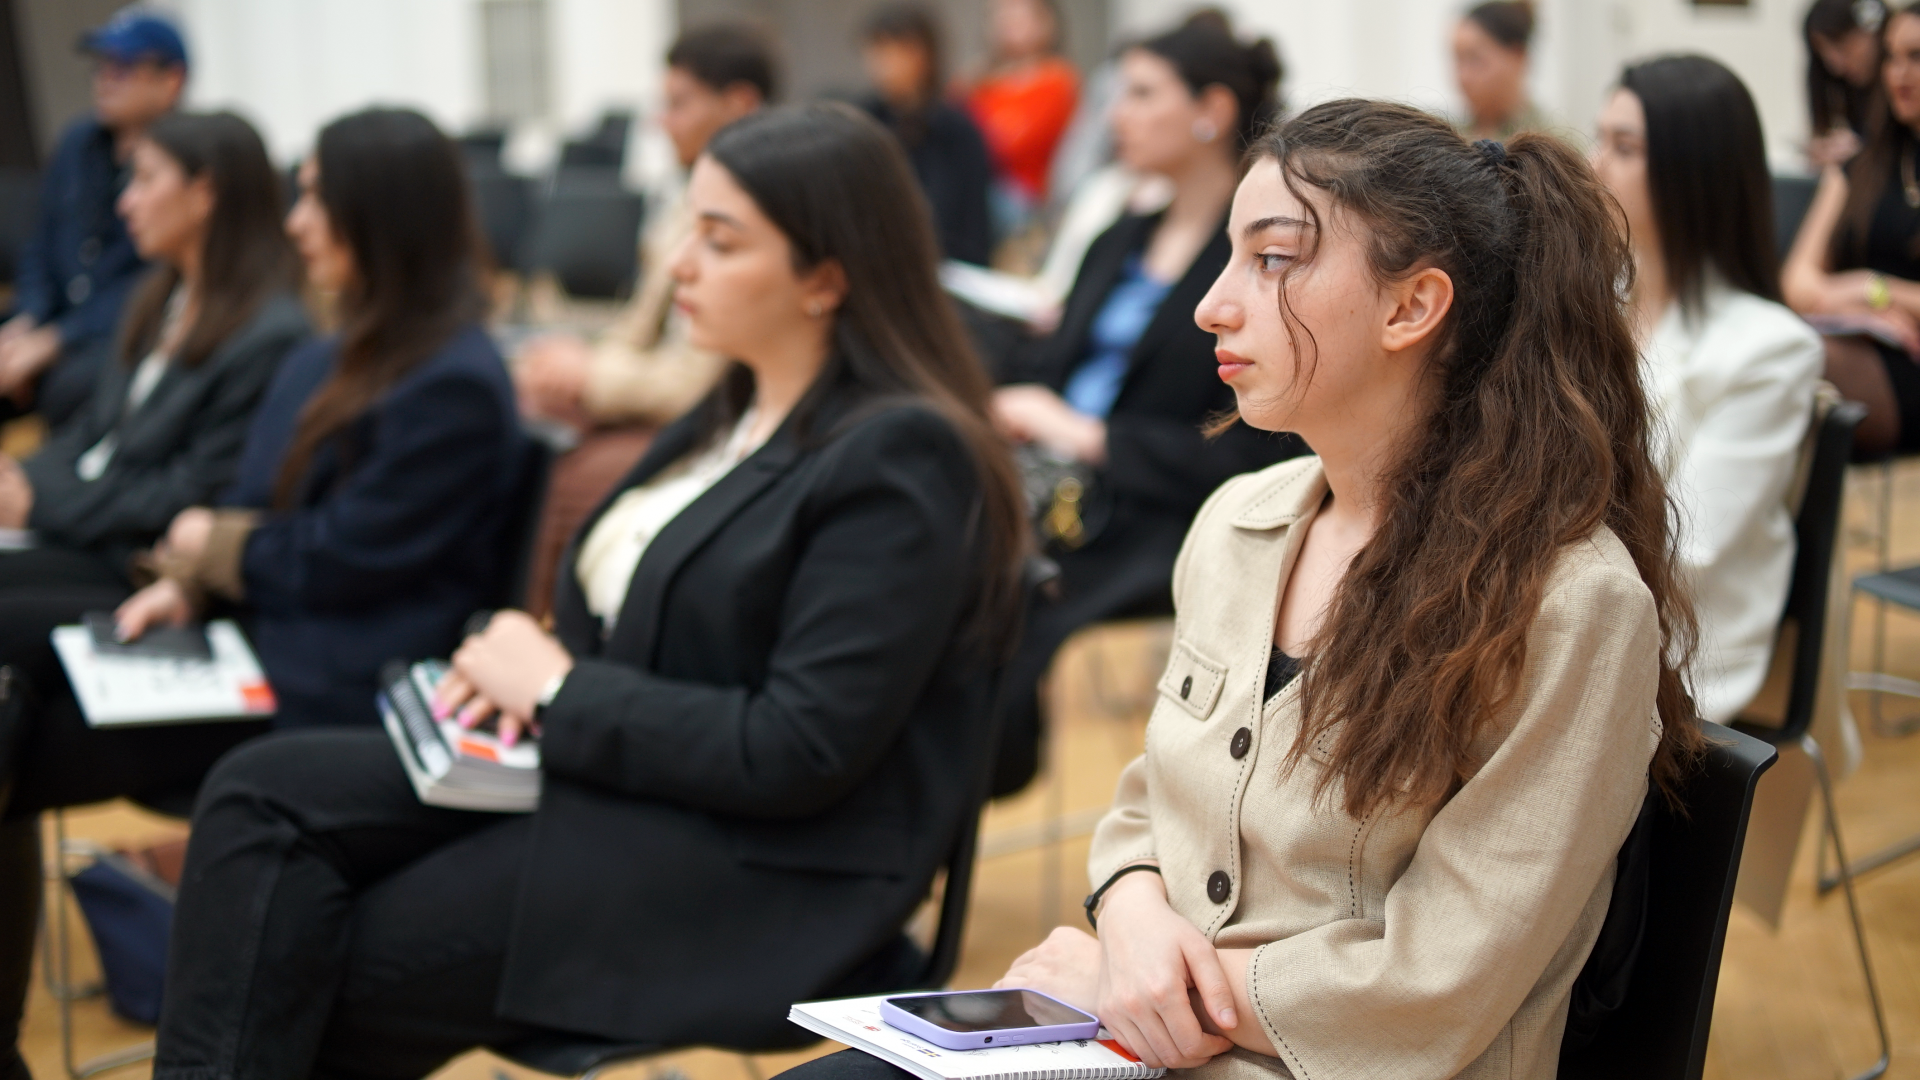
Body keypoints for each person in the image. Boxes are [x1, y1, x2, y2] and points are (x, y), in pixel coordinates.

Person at [776, 96, 1707, 1080]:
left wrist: (1136, 985)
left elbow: (1440, 980)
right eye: (1229, 256)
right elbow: (1151, 806)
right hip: (1158, 1037)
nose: (1211, 305)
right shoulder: (1240, 525)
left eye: (1271, 260)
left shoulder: (1572, 605)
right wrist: (1131, 922)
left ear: (1411, 306)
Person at [146, 102, 1027, 1080]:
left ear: (825, 276)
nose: (678, 263)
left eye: (719, 241)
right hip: (622, 783)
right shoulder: (734, 406)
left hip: (753, 864)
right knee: (258, 792)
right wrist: (534, 663)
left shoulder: (903, 455)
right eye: (688, 227)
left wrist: (560, 691)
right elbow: (655, 615)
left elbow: (798, 748)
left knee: (321, 956)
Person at [0, 108, 307, 1080]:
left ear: (206, 190)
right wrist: (32, 484)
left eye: (145, 181)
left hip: (145, 573)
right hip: (88, 537)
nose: (123, 201)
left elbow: (186, 501)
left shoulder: (269, 332)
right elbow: (94, 440)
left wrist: (32, 490)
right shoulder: (158, 299)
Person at [112, 107, 525, 730]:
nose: (296, 223)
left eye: (314, 200)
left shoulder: (455, 384)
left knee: (45, 710)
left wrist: (216, 548)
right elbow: (257, 497)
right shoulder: (323, 354)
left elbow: (348, 557)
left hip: (338, 679)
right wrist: (190, 587)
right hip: (272, 629)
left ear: (381, 217)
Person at [989, 12, 1302, 795]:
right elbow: (1050, 360)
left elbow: (1251, 447)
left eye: (1138, 94)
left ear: (1212, 111)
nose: (1113, 116)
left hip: (1152, 513)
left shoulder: (1269, 264)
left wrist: (1092, 437)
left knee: (989, 606)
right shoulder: (1120, 236)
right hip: (1052, 483)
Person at [1594, 56, 1823, 725]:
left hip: (1674, 653)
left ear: (1693, 172)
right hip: (1582, 612)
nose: (1595, 163)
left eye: (1624, 147)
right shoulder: (1597, 308)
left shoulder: (1769, 348)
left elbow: (1691, 550)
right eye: (1599, 137)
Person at [513, 21, 772, 611]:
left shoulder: (760, 204)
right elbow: (639, 328)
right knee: (535, 427)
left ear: (740, 104)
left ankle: (549, 634)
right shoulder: (695, 194)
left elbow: (698, 380)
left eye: (679, 104)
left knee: (574, 475)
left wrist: (591, 377)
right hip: (685, 400)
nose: (662, 121)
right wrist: (579, 366)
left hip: (720, 413)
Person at [0, 10, 187, 427]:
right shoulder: (76, 144)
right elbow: (39, 246)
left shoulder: (188, 162)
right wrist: (26, 321)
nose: (105, 79)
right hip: (52, 316)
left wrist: (54, 341)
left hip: (118, 333)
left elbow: (159, 278)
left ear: (171, 80)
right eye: (101, 66)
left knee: (70, 385)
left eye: (123, 68)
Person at [1784, 0, 1920, 455]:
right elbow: (1798, 280)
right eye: (1891, 58)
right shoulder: (1859, 166)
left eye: (1915, 57)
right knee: (1775, 346)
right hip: (1857, 337)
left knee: (1792, 358)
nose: (1899, 74)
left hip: (1909, 360)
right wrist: (1863, 295)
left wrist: (1876, 288)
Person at [861, 2, 994, 265]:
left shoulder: (957, 131)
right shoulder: (864, 122)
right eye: (877, 51)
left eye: (896, 51)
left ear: (924, 55)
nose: (884, 64)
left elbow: (973, 230)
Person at [964, 0, 1080, 236]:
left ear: (1045, 22)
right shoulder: (979, 80)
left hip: (1027, 197)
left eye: (1019, 14)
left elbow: (1014, 144)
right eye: (1002, 13)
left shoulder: (1056, 79)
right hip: (981, 186)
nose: (1008, 21)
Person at [1453, 0, 1551, 143]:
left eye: (1475, 59)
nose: (1463, 77)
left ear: (1518, 56)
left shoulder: (1550, 141)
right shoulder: (1451, 137)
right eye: (1458, 60)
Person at [1806, 0, 1887, 167]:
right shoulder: (1853, 93)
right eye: (1823, 52)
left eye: (1841, 44)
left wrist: (1864, 150)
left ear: (1872, 31)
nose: (1835, 64)